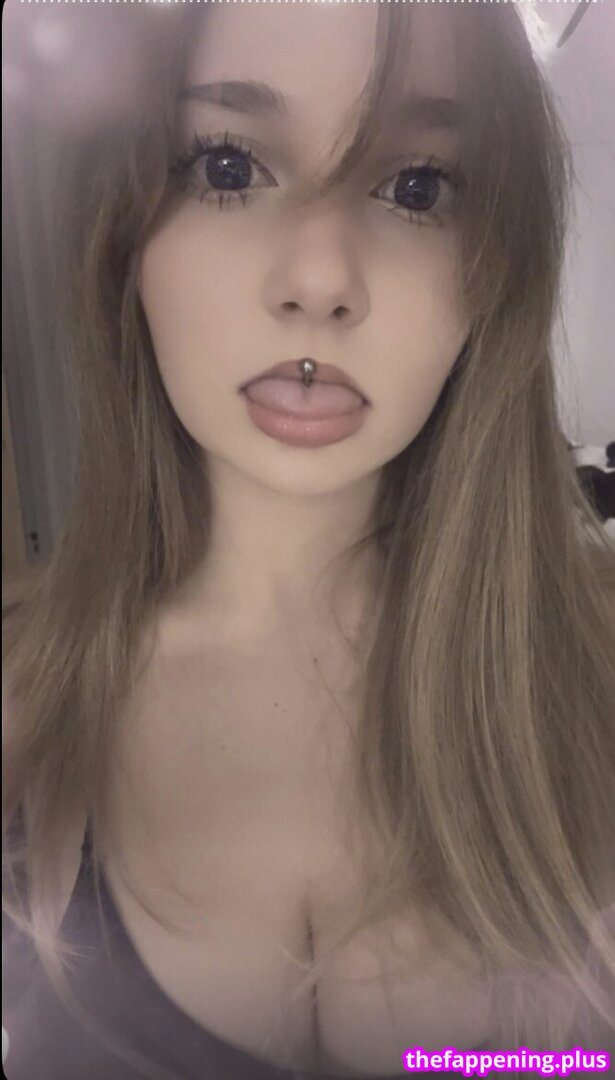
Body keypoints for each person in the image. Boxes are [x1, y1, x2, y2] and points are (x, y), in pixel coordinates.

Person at [3, 3, 615, 1078]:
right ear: (127, 237)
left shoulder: (597, 663)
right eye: (228, 166)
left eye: (417, 187)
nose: (321, 280)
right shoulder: (20, 699)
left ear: (497, 266)